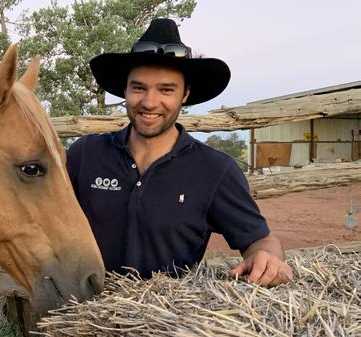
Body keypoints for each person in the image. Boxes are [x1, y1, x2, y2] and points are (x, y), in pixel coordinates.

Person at [66, 18, 293, 286]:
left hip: (167, 322)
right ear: (125, 90)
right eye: (139, 88)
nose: (150, 102)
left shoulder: (215, 170)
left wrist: (267, 257)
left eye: (166, 90)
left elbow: (258, 239)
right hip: (81, 313)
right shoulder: (85, 154)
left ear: (185, 94)